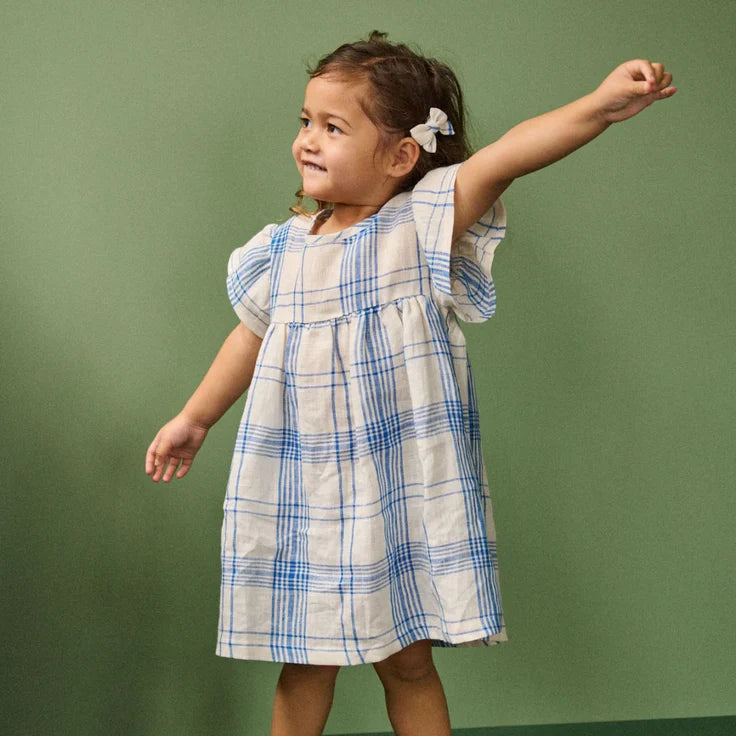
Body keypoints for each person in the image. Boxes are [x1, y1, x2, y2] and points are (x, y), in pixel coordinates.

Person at [145, 31, 675, 736]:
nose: (308, 140)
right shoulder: (281, 251)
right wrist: (195, 418)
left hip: (397, 489)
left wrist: (601, 105)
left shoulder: (419, 225)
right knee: (304, 660)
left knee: (408, 660)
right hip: (305, 489)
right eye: (306, 121)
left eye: (334, 127)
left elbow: (511, 154)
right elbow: (249, 337)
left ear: (400, 155)